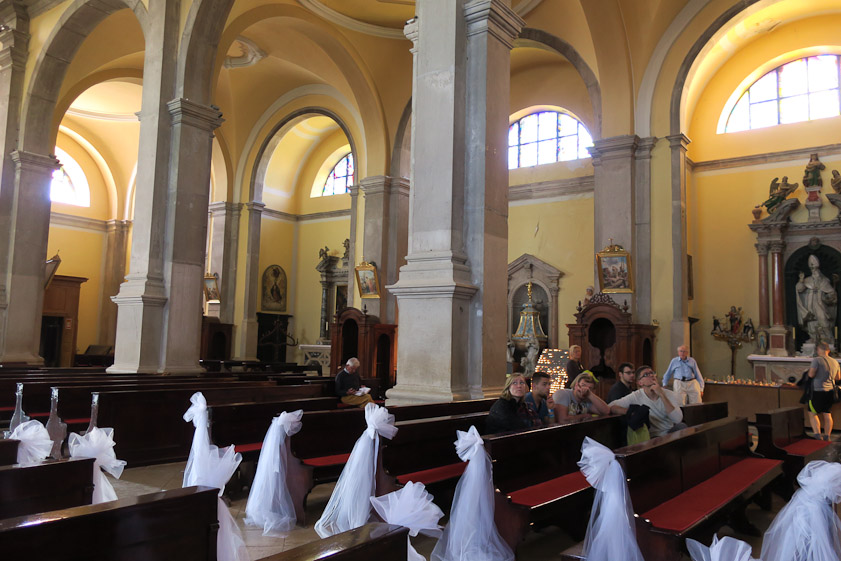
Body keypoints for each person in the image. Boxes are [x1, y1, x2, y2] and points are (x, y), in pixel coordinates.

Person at [609, 366, 686, 437]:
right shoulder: (636, 396)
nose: (651, 375)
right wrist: (630, 411)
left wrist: (661, 395)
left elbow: (678, 419)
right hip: (652, 437)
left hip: (669, 433)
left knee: (682, 426)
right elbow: (611, 406)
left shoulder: (668, 394)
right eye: (646, 374)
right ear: (640, 382)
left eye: (652, 373)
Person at [796, 254, 838, 345]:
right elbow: (799, 289)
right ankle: (813, 338)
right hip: (810, 304)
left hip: (820, 304)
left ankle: (827, 338)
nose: (814, 272)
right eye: (812, 270)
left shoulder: (824, 280)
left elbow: (831, 293)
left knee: (823, 319)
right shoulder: (807, 280)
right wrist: (801, 280)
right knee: (811, 321)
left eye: (815, 270)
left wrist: (830, 297)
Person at [805, 341, 840, 441]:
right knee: (827, 413)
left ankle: (817, 435)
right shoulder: (835, 361)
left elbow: (811, 374)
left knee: (812, 413)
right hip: (830, 391)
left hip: (818, 391)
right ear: (828, 350)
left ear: (819, 349)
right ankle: (827, 436)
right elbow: (838, 377)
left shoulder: (817, 360)